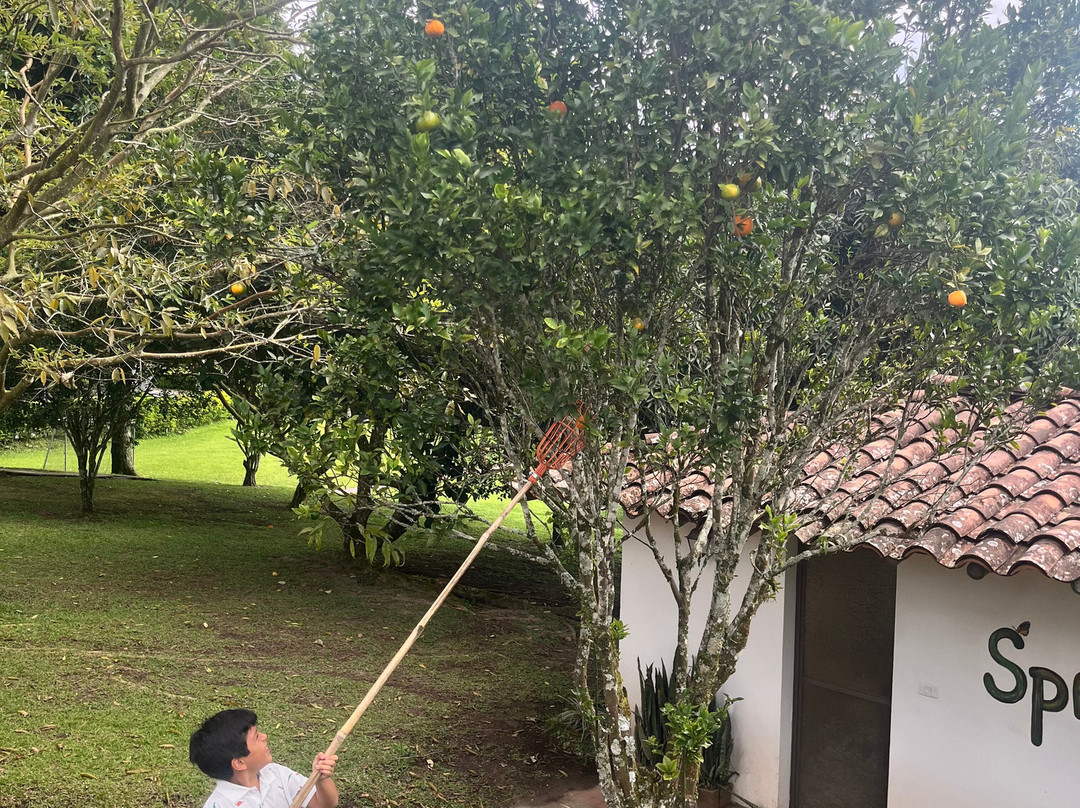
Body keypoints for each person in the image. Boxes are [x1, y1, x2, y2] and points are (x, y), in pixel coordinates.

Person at [189, 709, 339, 808]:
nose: (264, 737)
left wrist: (321, 780)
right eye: (256, 737)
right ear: (240, 762)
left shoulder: (278, 775)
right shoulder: (220, 804)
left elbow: (323, 805)